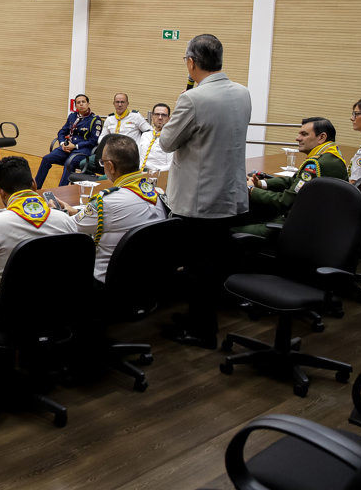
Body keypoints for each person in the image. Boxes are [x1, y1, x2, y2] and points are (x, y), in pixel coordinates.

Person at [158, 33, 252, 348]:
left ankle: (201, 332)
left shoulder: (193, 99)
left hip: (198, 201)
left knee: (198, 269)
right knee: (212, 265)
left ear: (191, 62)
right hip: (229, 194)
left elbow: (166, 142)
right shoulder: (242, 93)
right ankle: (200, 320)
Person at [0, 155, 76, 320]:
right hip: (58, 310)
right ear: (34, 184)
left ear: (1, 192)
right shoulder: (65, 220)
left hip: (10, 315)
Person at [70, 134, 170, 283]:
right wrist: (78, 212)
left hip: (106, 284)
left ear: (110, 166)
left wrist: (63, 212)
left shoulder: (105, 202)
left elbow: (69, 227)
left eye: (103, 163)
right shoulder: (158, 194)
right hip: (148, 280)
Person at [240, 117, 347, 235]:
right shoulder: (331, 156)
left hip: (297, 226)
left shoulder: (316, 164)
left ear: (321, 137)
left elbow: (285, 201)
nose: (297, 138)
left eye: (304, 134)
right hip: (320, 222)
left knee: (226, 232)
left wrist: (251, 190)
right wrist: (261, 183)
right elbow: (293, 181)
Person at [34, 94, 102, 188]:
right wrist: (62, 143)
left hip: (82, 149)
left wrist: (75, 146)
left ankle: (60, 192)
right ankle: (35, 188)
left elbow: (94, 140)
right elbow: (62, 132)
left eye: (83, 102)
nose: (81, 104)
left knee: (69, 163)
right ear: (75, 106)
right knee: (46, 158)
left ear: (88, 104)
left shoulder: (95, 120)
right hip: (67, 147)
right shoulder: (72, 117)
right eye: (78, 102)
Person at [136, 103, 173, 173]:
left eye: (164, 115)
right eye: (157, 114)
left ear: (169, 118)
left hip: (161, 176)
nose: (160, 117)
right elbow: (139, 158)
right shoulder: (145, 135)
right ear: (152, 117)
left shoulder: (172, 138)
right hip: (141, 175)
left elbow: (171, 164)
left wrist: (154, 174)